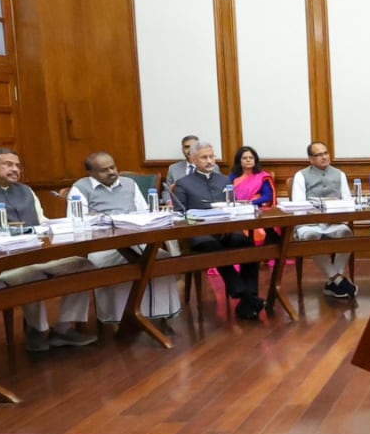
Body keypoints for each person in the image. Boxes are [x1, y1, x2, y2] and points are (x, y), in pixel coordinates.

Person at [0, 148, 97, 352]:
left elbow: (43, 223)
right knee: (31, 275)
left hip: (39, 254)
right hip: (3, 263)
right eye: (8, 164)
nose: (15, 169)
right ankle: (37, 332)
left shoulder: (26, 191)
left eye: (17, 165)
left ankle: (64, 329)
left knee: (83, 266)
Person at [71, 152, 182, 323]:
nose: (111, 172)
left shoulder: (129, 184)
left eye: (113, 167)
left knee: (160, 259)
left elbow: (144, 213)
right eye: (104, 170)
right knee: (126, 262)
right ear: (91, 173)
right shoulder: (80, 188)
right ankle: (120, 317)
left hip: (136, 240)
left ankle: (158, 313)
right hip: (103, 247)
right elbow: (77, 223)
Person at [172, 141, 264, 320]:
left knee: (249, 247)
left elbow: (233, 206)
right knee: (214, 247)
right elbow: (179, 215)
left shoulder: (224, 180)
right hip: (200, 233)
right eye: (204, 158)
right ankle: (246, 297)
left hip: (227, 228)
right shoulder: (183, 183)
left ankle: (247, 299)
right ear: (193, 159)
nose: (209, 161)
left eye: (211, 156)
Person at [290, 141, 358, 298]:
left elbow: (347, 201)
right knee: (310, 237)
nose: (324, 157)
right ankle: (337, 278)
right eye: (319, 154)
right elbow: (299, 204)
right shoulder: (301, 176)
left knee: (346, 234)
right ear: (310, 159)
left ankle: (334, 281)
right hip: (309, 223)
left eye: (326, 153)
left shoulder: (339, 174)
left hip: (334, 222)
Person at [162, 134, 198, 206]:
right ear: (182, 150)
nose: (190, 150)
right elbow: (166, 191)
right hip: (180, 207)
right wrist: (169, 202)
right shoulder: (173, 168)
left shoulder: (210, 167)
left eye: (193, 147)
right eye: (187, 147)